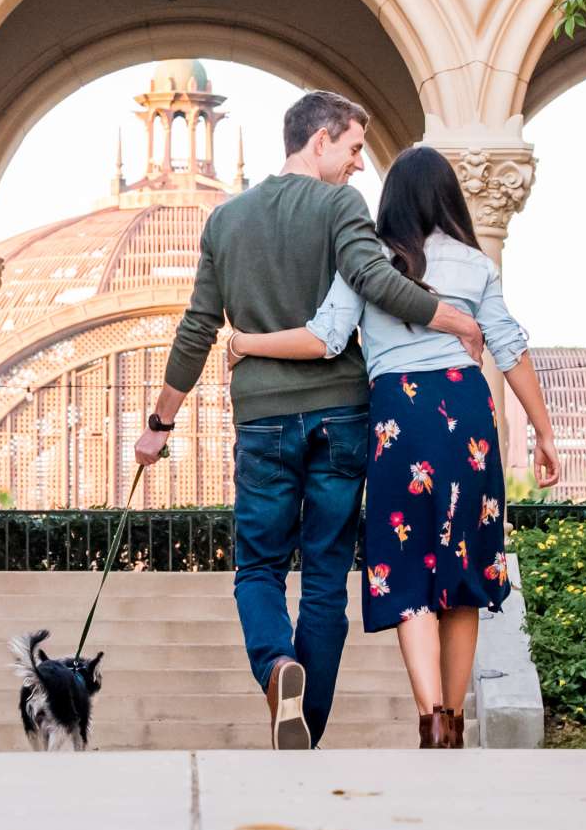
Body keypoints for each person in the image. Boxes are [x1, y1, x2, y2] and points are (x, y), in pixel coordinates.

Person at [136, 92, 487, 750]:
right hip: (341, 414)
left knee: (260, 568)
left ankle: (276, 667)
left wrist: (160, 423)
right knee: (326, 576)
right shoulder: (340, 207)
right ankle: (306, 728)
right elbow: (373, 280)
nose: (359, 165)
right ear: (319, 139)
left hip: (263, 418)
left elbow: (197, 327)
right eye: (354, 147)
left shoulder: (226, 221)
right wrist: (450, 316)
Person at [226, 144, 560, 749]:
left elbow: (327, 338)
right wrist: (542, 430)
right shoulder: (474, 264)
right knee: (464, 575)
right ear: (450, 199)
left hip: (399, 423)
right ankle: (452, 724)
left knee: (408, 573)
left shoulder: (369, 260)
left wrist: (249, 343)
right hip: (467, 416)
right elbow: (509, 347)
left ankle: (430, 716)